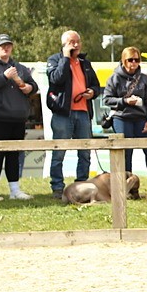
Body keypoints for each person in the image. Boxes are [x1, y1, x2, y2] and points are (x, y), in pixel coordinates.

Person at [46, 29, 103, 198]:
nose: (76, 45)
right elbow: (57, 79)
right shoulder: (54, 60)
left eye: (78, 41)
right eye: (72, 42)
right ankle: (57, 187)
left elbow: (96, 85)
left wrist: (92, 92)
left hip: (83, 112)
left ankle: (82, 185)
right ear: (64, 44)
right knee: (59, 152)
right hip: (63, 113)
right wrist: (65, 57)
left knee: (84, 152)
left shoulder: (85, 63)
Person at [102, 46, 147, 197]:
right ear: (123, 61)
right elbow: (107, 99)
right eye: (130, 60)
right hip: (122, 118)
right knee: (126, 152)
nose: (133, 63)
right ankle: (126, 186)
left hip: (141, 119)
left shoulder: (144, 79)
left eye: (136, 60)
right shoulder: (114, 78)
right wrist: (124, 101)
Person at [0, 34, 39, 201]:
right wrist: (4, 77)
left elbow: (34, 86)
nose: (5, 48)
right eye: (2, 45)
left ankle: (15, 190)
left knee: (14, 155)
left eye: (8, 45)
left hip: (18, 118)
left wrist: (28, 87)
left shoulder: (20, 67)